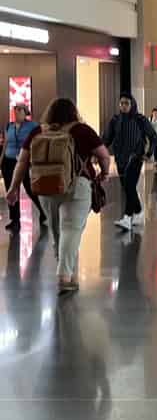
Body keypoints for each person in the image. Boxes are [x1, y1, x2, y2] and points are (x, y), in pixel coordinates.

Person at [6, 98, 110, 293]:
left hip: (45, 186)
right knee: (71, 229)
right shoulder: (82, 130)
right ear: (73, 113)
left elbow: (22, 162)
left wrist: (13, 188)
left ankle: (64, 266)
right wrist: (104, 172)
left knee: (56, 231)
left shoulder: (38, 131)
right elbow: (104, 155)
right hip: (77, 185)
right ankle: (64, 275)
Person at [103, 93, 157, 231]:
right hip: (120, 159)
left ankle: (127, 218)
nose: (123, 106)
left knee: (129, 185)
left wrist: (149, 153)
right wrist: (99, 152)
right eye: (121, 103)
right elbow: (107, 138)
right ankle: (138, 212)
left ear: (132, 104)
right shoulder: (115, 120)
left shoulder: (140, 119)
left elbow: (153, 136)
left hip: (136, 157)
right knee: (128, 188)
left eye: (126, 103)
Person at [1, 104, 45, 229]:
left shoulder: (33, 126)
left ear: (25, 113)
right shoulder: (9, 126)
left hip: (24, 160)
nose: (16, 114)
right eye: (15, 111)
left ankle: (44, 211)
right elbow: (6, 143)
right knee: (11, 190)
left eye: (19, 111)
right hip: (8, 160)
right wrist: (1, 159)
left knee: (30, 188)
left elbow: (39, 141)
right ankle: (15, 220)